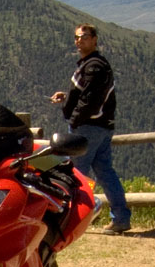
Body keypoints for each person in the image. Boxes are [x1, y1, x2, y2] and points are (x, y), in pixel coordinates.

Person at [51, 24, 131, 234]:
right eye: (77, 37)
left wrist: (75, 121)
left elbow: (91, 100)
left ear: (95, 39)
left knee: (75, 174)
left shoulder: (94, 66)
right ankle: (121, 218)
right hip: (101, 127)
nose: (79, 41)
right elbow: (88, 95)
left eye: (84, 37)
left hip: (88, 128)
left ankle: (72, 219)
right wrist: (67, 98)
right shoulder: (92, 64)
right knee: (105, 173)